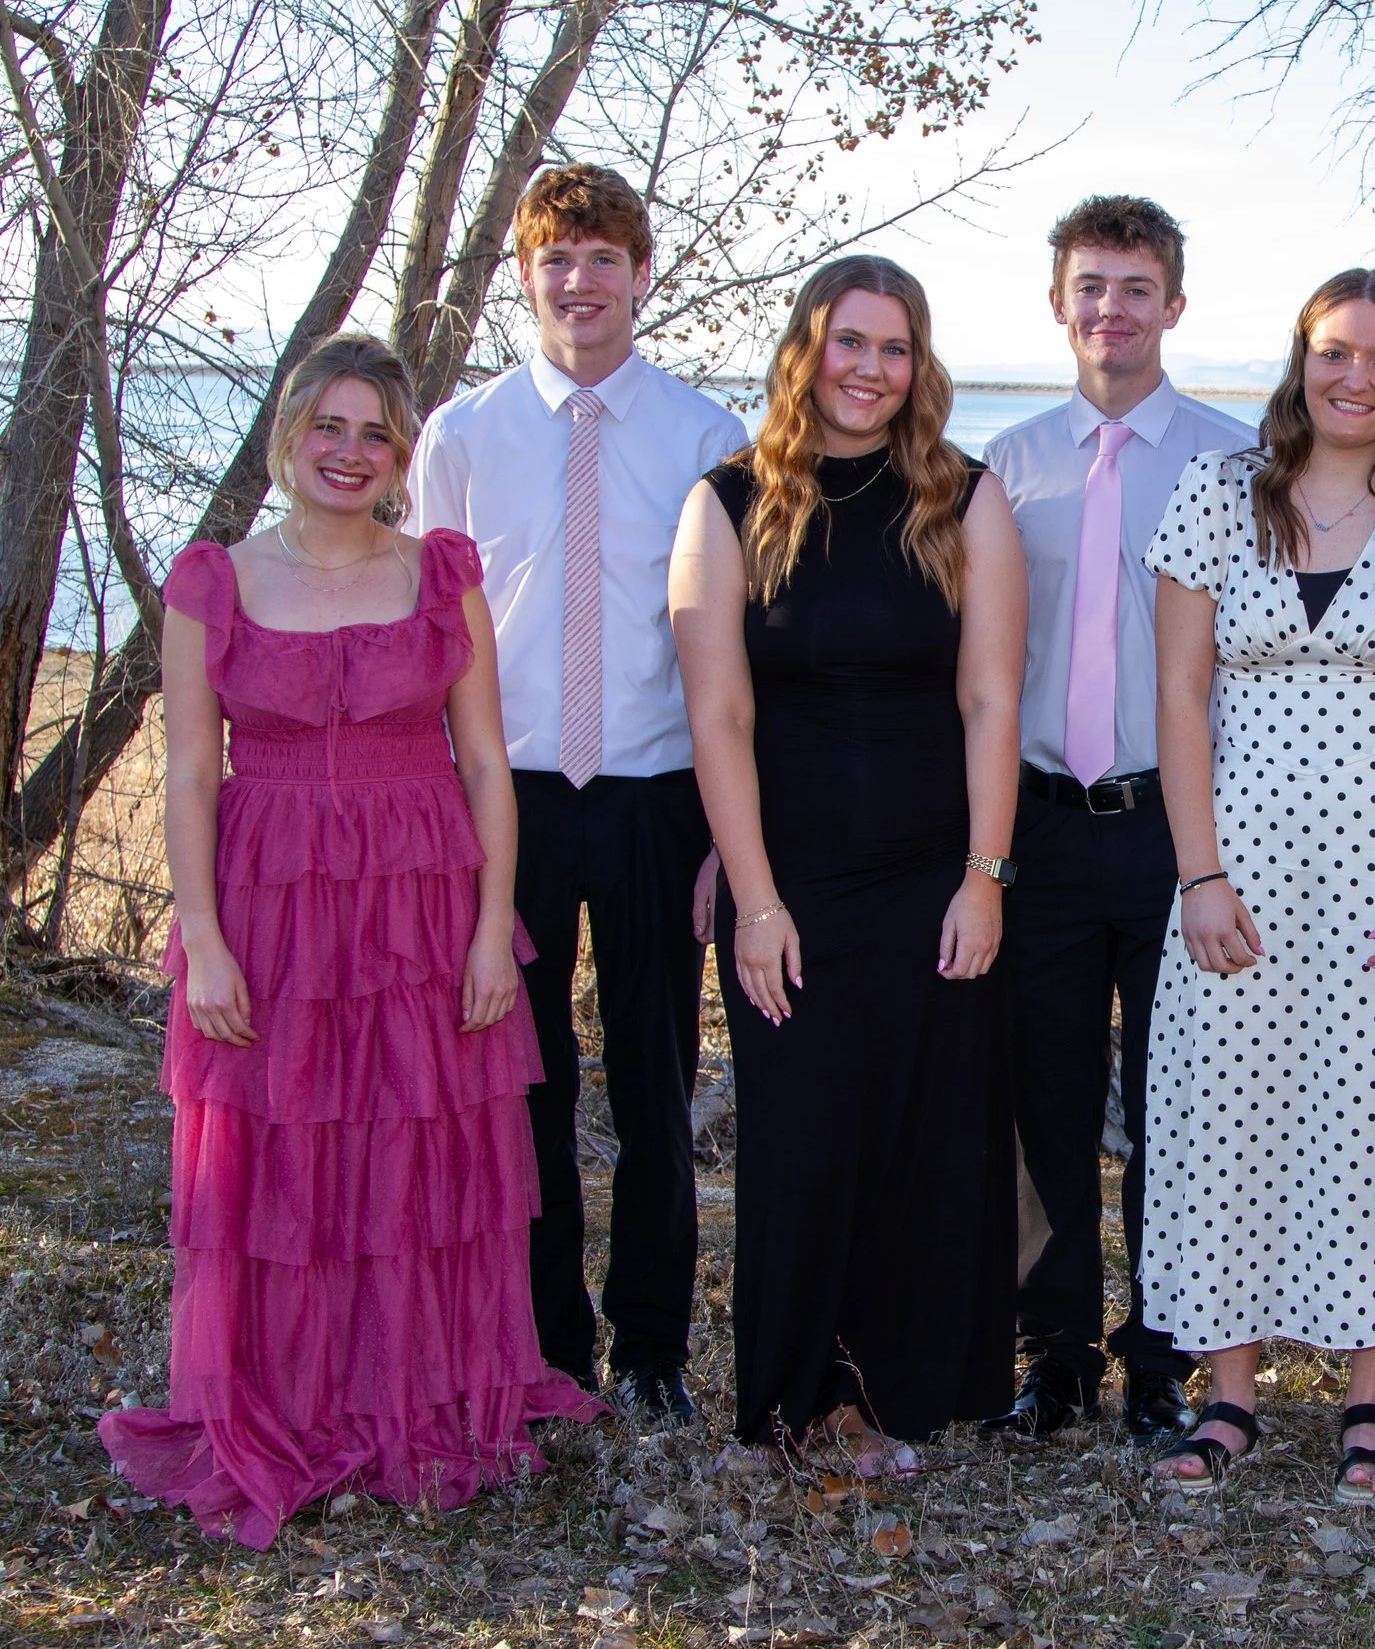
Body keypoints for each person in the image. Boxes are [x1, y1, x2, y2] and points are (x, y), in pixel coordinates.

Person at [100, 335, 600, 1547]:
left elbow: (485, 762)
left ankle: (413, 1391)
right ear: (289, 433)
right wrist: (202, 938)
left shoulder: (440, 573)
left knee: (414, 1152)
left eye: (376, 432)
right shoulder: (213, 580)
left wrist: (493, 930)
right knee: (276, 1151)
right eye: (328, 424)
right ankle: (288, 1395)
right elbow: (189, 774)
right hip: (269, 903)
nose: (349, 451)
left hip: (421, 903)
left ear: (402, 453)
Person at [1139, 267, 1375, 1506]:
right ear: (1301, 360)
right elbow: (1178, 692)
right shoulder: (1215, 493)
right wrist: (1197, 870)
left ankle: (1369, 1402)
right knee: (1226, 1108)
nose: (1357, 377)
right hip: (1235, 861)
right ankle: (1229, 1395)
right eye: (1337, 351)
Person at [671, 254, 1025, 1468]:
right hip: (794, 885)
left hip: (933, 876)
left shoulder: (964, 499)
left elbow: (991, 699)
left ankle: (891, 1395)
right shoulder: (726, 502)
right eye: (849, 342)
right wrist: (754, 898)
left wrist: (985, 873)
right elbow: (718, 715)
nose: (870, 369)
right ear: (805, 351)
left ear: (919, 365)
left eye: (894, 347)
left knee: (922, 1138)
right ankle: (791, 1400)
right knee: (803, 1138)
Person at [409, 164, 750, 1425]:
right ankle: (547, 1346)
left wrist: (726, 838)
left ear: (642, 274)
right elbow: (428, 639)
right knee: (526, 1084)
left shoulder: (708, 436)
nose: (581, 280)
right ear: (524, 275)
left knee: (656, 1082)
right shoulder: (462, 436)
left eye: (605, 256)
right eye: (557, 257)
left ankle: (652, 1348)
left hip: (660, 794)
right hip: (511, 800)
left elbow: (741, 649)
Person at [979, 196, 1258, 1444]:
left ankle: (1163, 1355)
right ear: (1058, 301)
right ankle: (1054, 1356)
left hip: (1173, 828)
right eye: (1090, 285)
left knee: (1176, 1102)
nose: (1112, 309)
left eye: (1136, 287)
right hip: (1039, 823)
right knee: (1042, 1101)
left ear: (1174, 306)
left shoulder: (1236, 463)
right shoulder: (1002, 466)